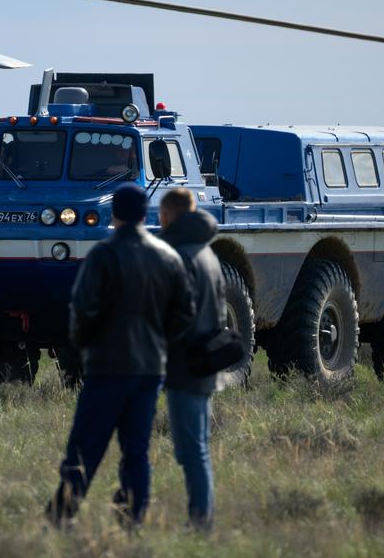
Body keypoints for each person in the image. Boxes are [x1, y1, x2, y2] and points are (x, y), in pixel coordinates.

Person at [47, 183, 196, 527]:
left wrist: (84, 348)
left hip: (106, 367)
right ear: (146, 213)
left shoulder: (103, 255)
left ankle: (62, 516)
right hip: (149, 371)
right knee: (136, 452)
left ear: (114, 213)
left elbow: (81, 310)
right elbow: (184, 315)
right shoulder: (168, 257)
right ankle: (132, 518)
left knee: (85, 448)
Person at [156, 187, 226, 530]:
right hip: (204, 362)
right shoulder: (207, 254)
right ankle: (201, 517)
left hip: (186, 364)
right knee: (194, 447)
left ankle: (200, 522)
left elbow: (173, 316)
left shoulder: (180, 257)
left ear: (168, 216)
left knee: (192, 449)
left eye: (160, 214)